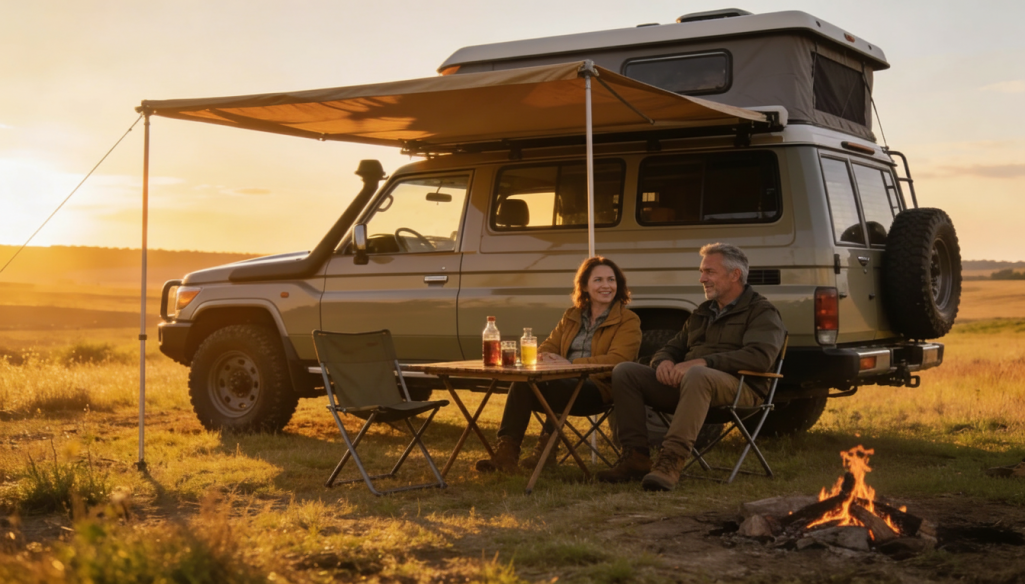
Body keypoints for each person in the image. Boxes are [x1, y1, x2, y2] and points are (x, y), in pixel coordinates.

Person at [596, 243, 785, 491]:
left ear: (735, 275)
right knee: (625, 371)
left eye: (709, 272)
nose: (702, 278)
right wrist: (663, 362)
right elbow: (672, 347)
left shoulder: (761, 311)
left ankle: (671, 461)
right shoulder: (702, 313)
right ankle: (635, 458)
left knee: (697, 374)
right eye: (702, 272)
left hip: (740, 388)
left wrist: (704, 362)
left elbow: (760, 357)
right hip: (692, 385)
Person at [476, 256, 642, 474]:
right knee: (522, 383)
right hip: (561, 383)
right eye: (598, 280)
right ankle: (506, 454)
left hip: (599, 388)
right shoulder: (572, 315)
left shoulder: (628, 320)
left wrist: (571, 364)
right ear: (585, 286)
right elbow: (549, 345)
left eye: (611, 280)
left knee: (555, 383)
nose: (606, 285)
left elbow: (618, 359)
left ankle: (545, 451)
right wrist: (544, 356)